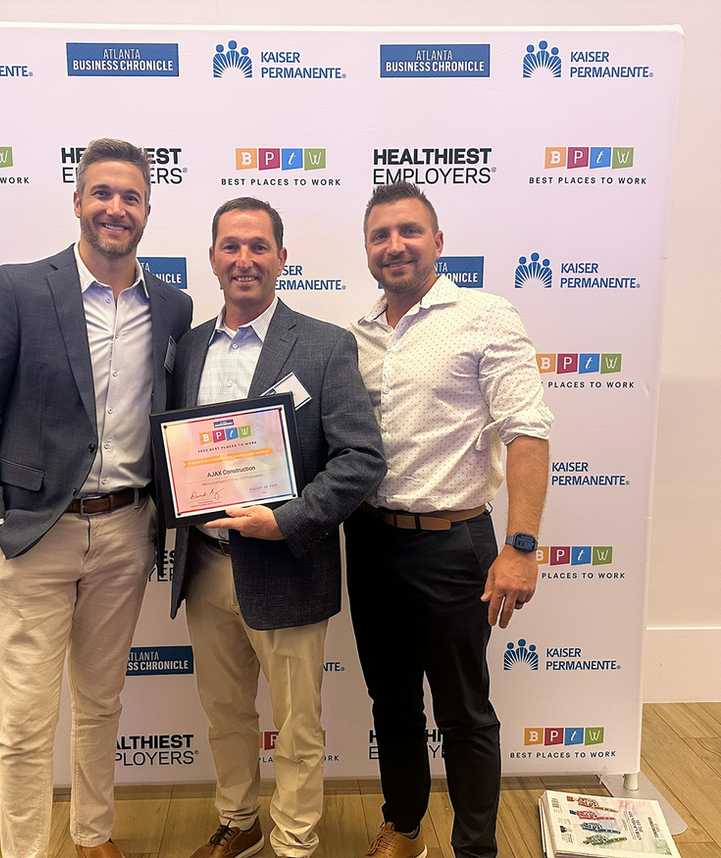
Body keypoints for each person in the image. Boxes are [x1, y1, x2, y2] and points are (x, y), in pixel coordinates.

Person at [0, 138, 192, 858]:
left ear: (147, 210)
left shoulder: (172, 306)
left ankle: (93, 836)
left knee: (102, 702)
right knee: (26, 720)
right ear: (78, 200)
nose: (116, 208)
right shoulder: (20, 289)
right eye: (102, 193)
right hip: (33, 534)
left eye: (131, 196)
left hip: (125, 532)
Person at [168, 197, 385, 858]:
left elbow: (361, 459)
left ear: (282, 258)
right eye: (231, 246)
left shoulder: (324, 345)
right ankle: (239, 820)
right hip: (205, 566)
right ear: (212, 258)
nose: (244, 259)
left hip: (288, 565)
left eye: (259, 246)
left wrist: (285, 520)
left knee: (296, 726)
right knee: (225, 714)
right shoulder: (187, 349)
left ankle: (294, 841)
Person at [345, 182, 553, 858]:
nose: (394, 245)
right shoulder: (355, 336)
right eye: (380, 235)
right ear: (367, 250)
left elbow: (527, 430)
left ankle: (475, 851)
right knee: (391, 704)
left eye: (409, 231)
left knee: (464, 712)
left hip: (454, 546)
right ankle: (405, 829)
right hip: (370, 542)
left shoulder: (485, 316)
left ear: (437, 242)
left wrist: (521, 545)